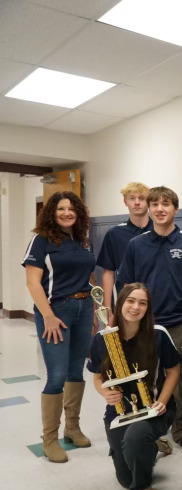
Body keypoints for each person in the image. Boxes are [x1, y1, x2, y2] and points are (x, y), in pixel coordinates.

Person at [118, 186, 182, 455]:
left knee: (181, 382)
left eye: (165, 204)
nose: (159, 209)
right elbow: (126, 287)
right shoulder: (136, 245)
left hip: (178, 323)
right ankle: (148, 431)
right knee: (143, 378)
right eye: (154, 204)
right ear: (148, 208)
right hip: (143, 324)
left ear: (175, 209)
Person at [88, 283, 180, 490]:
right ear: (120, 304)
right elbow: (98, 377)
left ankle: (142, 487)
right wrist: (105, 393)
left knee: (135, 444)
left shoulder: (158, 335)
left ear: (148, 309)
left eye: (142, 303)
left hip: (154, 410)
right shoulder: (102, 339)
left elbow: (173, 370)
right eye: (130, 301)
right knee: (124, 479)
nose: (136, 307)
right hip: (118, 412)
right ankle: (153, 446)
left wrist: (163, 402)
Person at [23, 191, 95, 463]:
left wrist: (93, 310)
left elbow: (87, 275)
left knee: (77, 370)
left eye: (71, 208)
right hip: (56, 311)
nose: (67, 213)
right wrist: (49, 316)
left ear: (79, 212)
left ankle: (72, 428)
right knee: (56, 374)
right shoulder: (41, 241)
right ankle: (50, 439)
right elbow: (32, 282)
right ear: (51, 212)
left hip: (84, 307)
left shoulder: (83, 241)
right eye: (61, 208)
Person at [96, 182, 152, 316]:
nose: (137, 203)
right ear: (125, 202)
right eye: (132, 198)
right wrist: (108, 309)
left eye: (142, 198)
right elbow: (108, 273)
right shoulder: (114, 234)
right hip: (125, 301)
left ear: (149, 202)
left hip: (155, 300)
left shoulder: (160, 232)